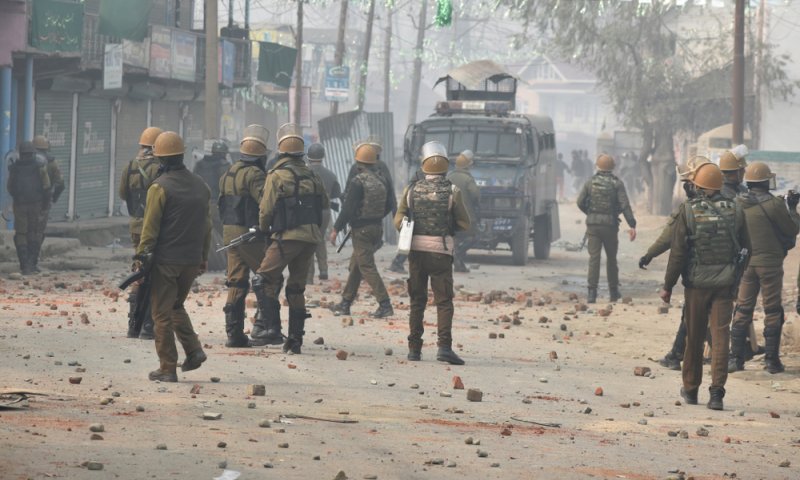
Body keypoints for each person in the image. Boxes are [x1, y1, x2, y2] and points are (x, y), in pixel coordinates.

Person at [659, 163, 746, 411]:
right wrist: (736, 278)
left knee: (694, 337)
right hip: (725, 285)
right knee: (720, 338)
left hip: (696, 286)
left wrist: (668, 286)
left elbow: (677, 254)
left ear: (697, 185)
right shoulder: (736, 210)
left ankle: (691, 389)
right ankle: (717, 393)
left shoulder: (688, 210)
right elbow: (746, 248)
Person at [136, 131, 210, 382]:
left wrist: (141, 256)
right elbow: (207, 226)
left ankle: (167, 367)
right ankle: (194, 350)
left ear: (161, 159)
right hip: (191, 259)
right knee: (176, 305)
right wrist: (202, 256)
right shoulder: (201, 185)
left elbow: (150, 227)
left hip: (166, 261)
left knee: (161, 315)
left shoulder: (160, 187)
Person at [252, 124, 328, 355]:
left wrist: (265, 230)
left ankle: (272, 329)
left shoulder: (276, 175)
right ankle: (295, 341)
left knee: (262, 280)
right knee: (296, 288)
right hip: (310, 238)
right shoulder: (312, 175)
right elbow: (323, 205)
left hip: (287, 237)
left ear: (281, 153)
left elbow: (265, 210)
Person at [394, 141, 471, 365]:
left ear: (424, 166)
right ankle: (444, 348)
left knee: (417, 300)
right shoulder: (453, 192)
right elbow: (464, 223)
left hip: (416, 252)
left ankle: (414, 349)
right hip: (441, 253)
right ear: (445, 166)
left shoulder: (411, 190)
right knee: (444, 301)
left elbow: (398, 221)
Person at [641, 156, 712, 371]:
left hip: (699, 275)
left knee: (695, 315)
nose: (686, 188)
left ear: (696, 184)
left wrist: (650, 256)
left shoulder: (690, 210)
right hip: (727, 275)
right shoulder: (731, 204)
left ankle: (683, 356)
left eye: (687, 183)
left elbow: (672, 244)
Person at [728, 162, 799, 374]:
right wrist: (793, 208)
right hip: (770, 265)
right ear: (766, 181)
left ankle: (735, 359)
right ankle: (771, 361)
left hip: (746, 264)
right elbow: (792, 228)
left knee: (742, 309)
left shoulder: (737, 203)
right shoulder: (774, 205)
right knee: (772, 310)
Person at [218, 125, 270, 348]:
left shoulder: (228, 172)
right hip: (250, 233)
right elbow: (265, 202)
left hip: (230, 231)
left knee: (237, 281)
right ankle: (262, 327)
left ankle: (234, 334)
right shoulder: (256, 174)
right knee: (268, 277)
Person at [330, 143, 394, 318]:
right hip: (376, 228)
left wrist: (336, 229)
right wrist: (376, 216)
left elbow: (348, 209)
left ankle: (385, 304)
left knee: (366, 266)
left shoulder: (358, 182)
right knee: (356, 266)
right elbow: (389, 204)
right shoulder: (382, 180)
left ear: (358, 162)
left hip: (362, 231)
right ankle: (345, 303)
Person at [118, 126, 163, 340]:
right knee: (155, 275)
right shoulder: (160, 168)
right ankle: (148, 325)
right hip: (155, 227)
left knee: (140, 272)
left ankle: (133, 325)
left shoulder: (130, 165)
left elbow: (122, 193)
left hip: (136, 225)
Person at [577, 154, 637, 303]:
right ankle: (613, 292)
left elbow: (580, 202)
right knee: (611, 259)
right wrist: (632, 224)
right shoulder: (617, 184)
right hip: (610, 226)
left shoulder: (590, 182)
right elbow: (624, 205)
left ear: (597, 166)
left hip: (593, 226)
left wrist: (591, 214)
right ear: (612, 167)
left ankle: (592, 293)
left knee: (594, 259)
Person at [7, 141, 51, 275]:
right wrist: (45, 204)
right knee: (34, 232)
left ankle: (24, 265)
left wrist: (18, 198)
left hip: (20, 205)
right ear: (33, 153)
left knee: (21, 233)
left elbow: (10, 187)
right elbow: (47, 187)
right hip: (36, 204)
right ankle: (32, 263)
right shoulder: (40, 167)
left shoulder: (14, 168)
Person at [306, 143, 342, 283]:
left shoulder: (303, 172)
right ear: (323, 156)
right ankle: (324, 270)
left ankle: (309, 276)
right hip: (325, 212)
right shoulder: (331, 175)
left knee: (308, 241)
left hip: (308, 211)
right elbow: (336, 194)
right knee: (320, 239)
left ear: (308, 157)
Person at [32, 135, 64, 273]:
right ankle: (33, 261)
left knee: (25, 231)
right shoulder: (52, 163)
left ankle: (25, 262)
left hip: (24, 202)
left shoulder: (25, 160)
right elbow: (61, 183)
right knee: (38, 231)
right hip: (44, 202)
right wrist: (53, 198)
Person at [446, 149, 480, 272]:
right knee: (473, 237)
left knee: (455, 239)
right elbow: (475, 195)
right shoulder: (467, 179)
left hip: (449, 216)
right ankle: (458, 255)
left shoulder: (449, 176)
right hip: (465, 216)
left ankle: (459, 265)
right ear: (468, 165)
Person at [388, 168, 427, 274]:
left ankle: (398, 264)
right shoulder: (416, 189)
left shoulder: (410, 187)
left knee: (409, 244)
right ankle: (397, 264)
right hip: (412, 220)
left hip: (409, 219)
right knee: (409, 244)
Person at [194, 139, 231, 231]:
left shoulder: (199, 164)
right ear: (224, 154)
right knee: (220, 234)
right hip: (216, 205)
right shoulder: (225, 166)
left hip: (199, 204)